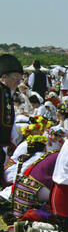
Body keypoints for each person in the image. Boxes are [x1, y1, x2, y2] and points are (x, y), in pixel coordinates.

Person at [0, 54, 21, 184]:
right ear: (4, 77)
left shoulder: (7, 92)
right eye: (15, 80)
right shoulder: (3, 92)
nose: (17, 84)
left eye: (20, 81)